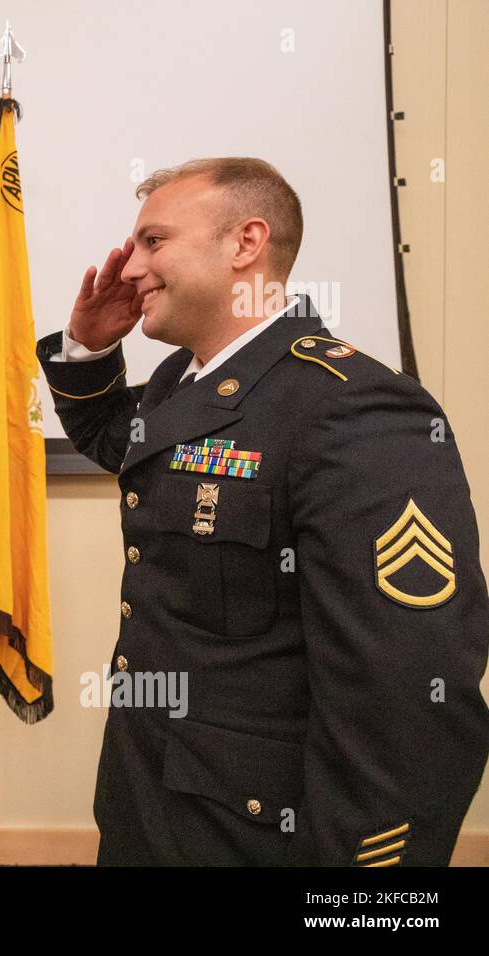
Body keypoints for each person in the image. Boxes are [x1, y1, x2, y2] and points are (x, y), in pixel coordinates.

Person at [37, 157, 489, 865]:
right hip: (150, 801)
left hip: (256, 833)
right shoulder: (179, 383)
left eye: (153, 242)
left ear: (245, 243)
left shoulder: (350, 405)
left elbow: (406, 692)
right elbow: (125, 448)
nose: (128, 268)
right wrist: (90, 351)